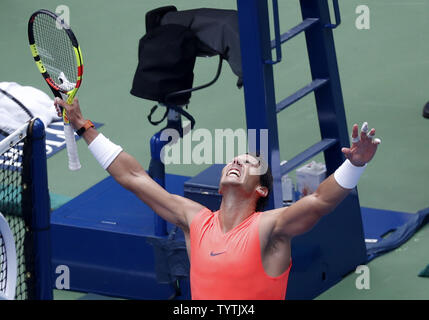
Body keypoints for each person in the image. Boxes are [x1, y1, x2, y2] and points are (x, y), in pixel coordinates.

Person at [55, 97, 381, 300]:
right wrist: (84, 126)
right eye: (234, 160)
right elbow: (134, 178)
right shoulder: (194, 219)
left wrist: (354, 165)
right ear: (222, 184)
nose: (238, 162)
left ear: (262, 190)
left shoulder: (271, 228)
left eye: (249, 163)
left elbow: (320, 202)